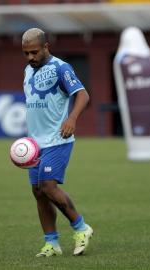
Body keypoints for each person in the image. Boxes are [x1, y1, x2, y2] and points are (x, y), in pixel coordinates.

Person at [21, 28, 93, 257]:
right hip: (35, 144)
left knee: (48, 186)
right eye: (26, 53)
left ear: (46, 47)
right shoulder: (27, 70)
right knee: (38, 192)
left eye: (34, 52)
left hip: (57, 139)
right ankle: (52, 243)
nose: (30, 57)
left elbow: (83, 94)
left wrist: (72, 118)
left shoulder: (61, 68)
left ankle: (81, 228)